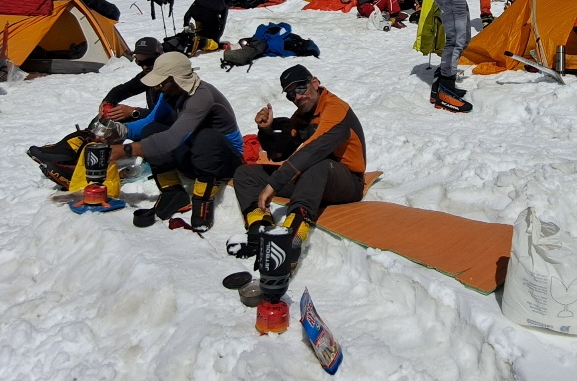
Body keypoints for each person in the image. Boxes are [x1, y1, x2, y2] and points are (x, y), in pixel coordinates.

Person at [228, 64, 366, 265]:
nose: (298, 97)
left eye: (301, 88)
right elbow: (280, 154)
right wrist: (266, 131)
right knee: (244, 173)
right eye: (291, 95)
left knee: (318, 164)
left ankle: (290, 238)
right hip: (311, 180)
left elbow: (313, 150)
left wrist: (274, 184)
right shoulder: (305, 113)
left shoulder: (336, 109)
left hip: (347, 183)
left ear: (315, 83)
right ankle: (259, 226)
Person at [108, 51, 243, 231]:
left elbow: (172, 139)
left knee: (206, 137)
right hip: (194, 155)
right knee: (152, 130)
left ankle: (203, 200)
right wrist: (119, 130)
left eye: (162, 82)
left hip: (224, 162)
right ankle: (172, 191)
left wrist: (125, 151)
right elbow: (149, 122)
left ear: (177, 79)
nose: (157, 87)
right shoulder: (170, 93)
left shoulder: (201, 97)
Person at [27, 36, 168, 188]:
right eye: (140, 62)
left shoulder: (171, 81)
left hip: (166, 134)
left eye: (149, 62)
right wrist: (107, 103)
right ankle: (75, 154)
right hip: (154, 128)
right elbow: (121, 90)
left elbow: (171, 119)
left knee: (121, 118)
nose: (145, 67)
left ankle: (87, 168)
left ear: (161, 57)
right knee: (113, 115)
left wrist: (134, 113)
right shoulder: (149, 76)